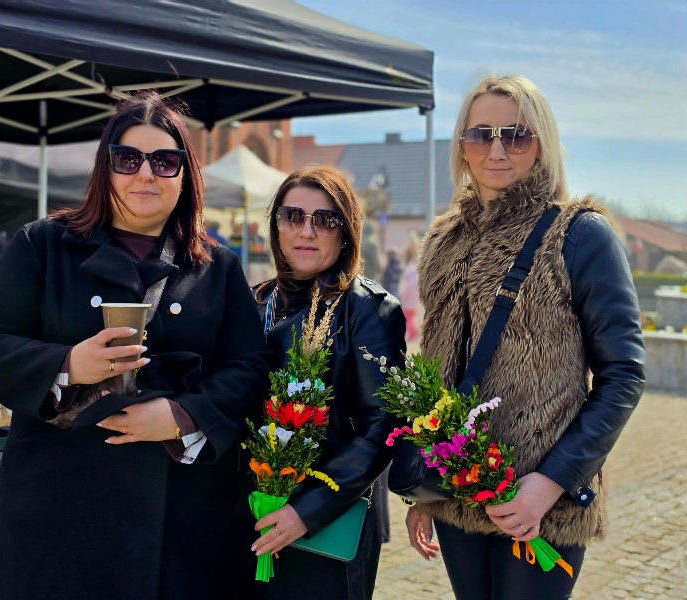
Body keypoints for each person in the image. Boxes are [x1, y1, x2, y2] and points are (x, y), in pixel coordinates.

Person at [0, 90, 270, 600]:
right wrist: (67, 363)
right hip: (60, 507)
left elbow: (250, 367)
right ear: (106, 167)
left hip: (179, 516)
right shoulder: (43, 245)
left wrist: (183, 416)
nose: (145, 174)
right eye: (128, 159)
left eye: (164, 161)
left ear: (185, 174)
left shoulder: (218, 268)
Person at [406, 75, 645, 599]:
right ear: (462, 145)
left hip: (541, 503)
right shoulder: (443, 240)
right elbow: (437, 371)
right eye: (481, 135)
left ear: (542, 143)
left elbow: (624, 375)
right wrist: (425, 488)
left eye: (515, 135)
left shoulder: (579, 234)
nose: (496, 150)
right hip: (457, 495)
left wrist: (552, 480)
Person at [243, 165, 406, 599]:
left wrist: (306, 510)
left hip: (328, 517)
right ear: (276, 226)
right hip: (252, 515)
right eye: (293, 216)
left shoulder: (368, 310)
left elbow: (382, 427)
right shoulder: (254, 302)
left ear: (346, 231)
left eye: (325, 219)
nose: (307, 231)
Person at [397, 232, 421, 341]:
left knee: (408, 315)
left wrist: (404, 292)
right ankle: (414, 333)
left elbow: (411, 283)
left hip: (410, 296)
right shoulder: (411, 262)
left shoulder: (412, 267)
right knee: (409, 315)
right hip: (411, 295)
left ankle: (413, 333)